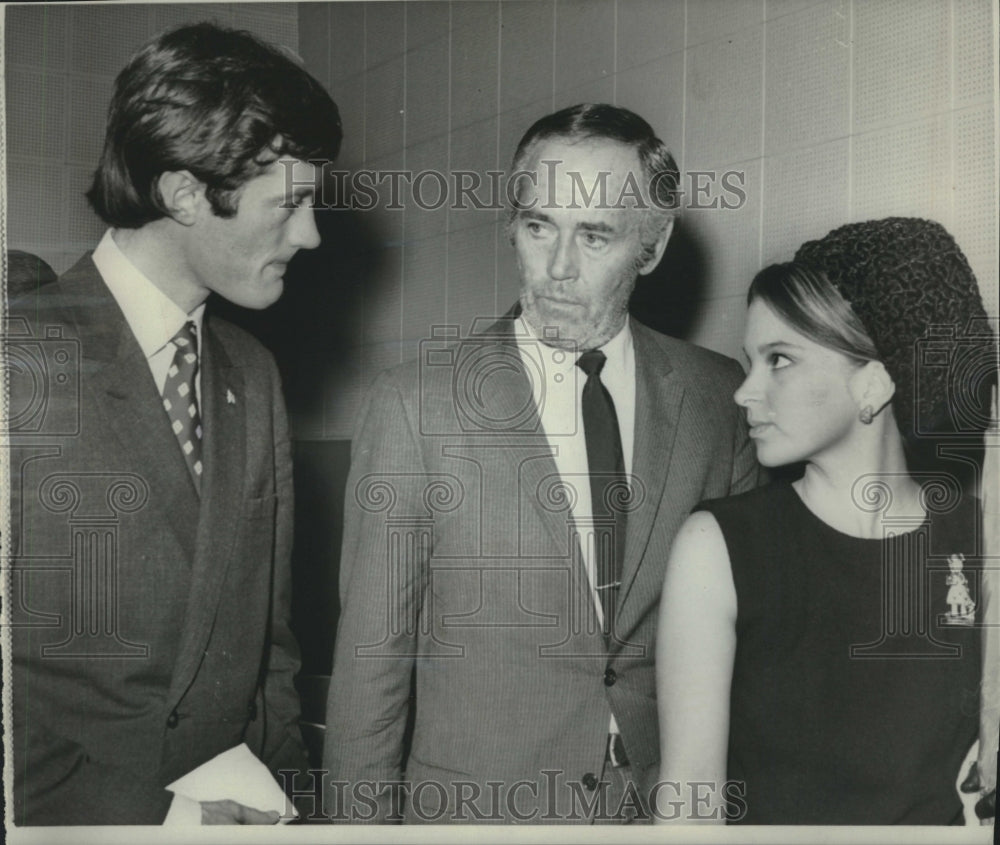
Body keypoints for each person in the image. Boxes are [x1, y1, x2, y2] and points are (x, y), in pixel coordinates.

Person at [324, 103, 758, 824]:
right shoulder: (416, 406)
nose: (557, 268)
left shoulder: (720, 399)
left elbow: (754, 645)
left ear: (651, 246)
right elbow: (371, 666)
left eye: (594, 236)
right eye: (538, 227)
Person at [6, 23, 341, 825]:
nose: (311, 235)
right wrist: (156, 816)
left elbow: (272, 648)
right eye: (289, 204)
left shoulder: (252, 372)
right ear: (185, 193)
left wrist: (290, 806)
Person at [655, 217, 996, 824]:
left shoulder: (978, 542)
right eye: (749, 362)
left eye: (779, 360)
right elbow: (688, 809)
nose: (744, 392)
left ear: (876, 381)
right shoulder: (720, 546)